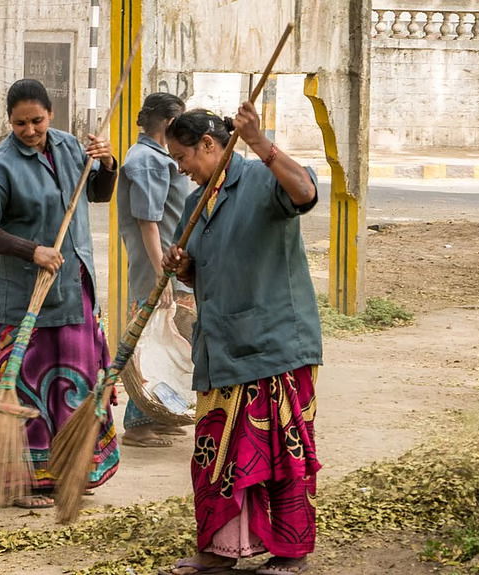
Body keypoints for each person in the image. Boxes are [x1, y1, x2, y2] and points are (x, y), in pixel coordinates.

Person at [159, 103, 322, 575]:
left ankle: (292, 551)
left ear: (209, 145)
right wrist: (183, 267)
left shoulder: (262, 179)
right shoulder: (194, 206)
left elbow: (306, 192)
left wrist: (261, 144)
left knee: (279, 455)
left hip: (274, 346)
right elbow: (201, 269)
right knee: (215, 454)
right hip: (221, 350)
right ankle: (219, 550)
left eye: (183, 157)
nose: (180, 168)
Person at [0, 79, 121, 509]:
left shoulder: (71, 147)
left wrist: (107, 164)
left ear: (51, 115)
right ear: (8, 122)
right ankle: (26, 482)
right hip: (26, 301)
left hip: (74, 293)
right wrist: (32, 250)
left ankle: (72, 470)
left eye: (37, 120)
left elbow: (99, 195)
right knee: (29, 393)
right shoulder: (1, 166)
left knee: (76, 387)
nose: (30, 130)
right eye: (20, 123)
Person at [116, 92, 193, 448]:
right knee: (151, 342)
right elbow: (148, 221)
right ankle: (138, 422)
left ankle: (161, 414)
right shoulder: (146, 160)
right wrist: (161, 275)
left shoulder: (159, 156)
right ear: (168, 122)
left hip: (168, 263)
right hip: (156, 267)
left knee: (172, 339)